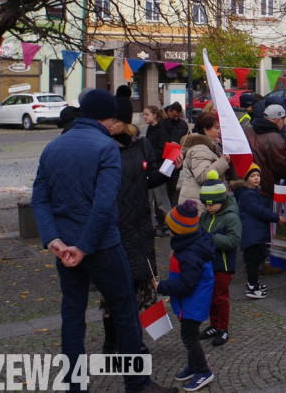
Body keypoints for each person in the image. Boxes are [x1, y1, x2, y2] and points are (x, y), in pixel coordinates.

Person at [31, 89, 174, 393]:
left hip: (64, 248)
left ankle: (75, 385)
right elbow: (104, 203)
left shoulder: (52, 147)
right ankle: (137, 384)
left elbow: (40, 199)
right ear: (107, 119)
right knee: (125, 311)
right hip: (101, 245)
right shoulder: (106, 147)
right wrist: (84, 246)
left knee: (72, 317)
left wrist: (53, 239)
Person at [100, 103, 168, 354]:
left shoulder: (141, 144)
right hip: (115, 223)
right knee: (115, 286)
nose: (110, 125)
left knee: (141, 282)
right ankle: (112, 342)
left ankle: (133, 340)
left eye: (114, 121)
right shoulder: (103, 145)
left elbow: (151, 178)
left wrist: (172, 166)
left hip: (139, 223)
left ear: (125, 122)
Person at [157, 200, 216, 392]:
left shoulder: (190, 254)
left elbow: (186, 284)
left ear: (179, 232)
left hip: (193, 303)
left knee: (189, 338)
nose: (168, 232)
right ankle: (193, 365)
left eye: (170, 229)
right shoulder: (187, 245)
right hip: (189, 302)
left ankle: (203, 371)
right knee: (190, 335)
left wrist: (161, 287)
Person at [197, 171, 241, 348]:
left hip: (222, 265)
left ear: (221, 200)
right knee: (210, 297)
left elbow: (234, 241)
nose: (208, 207)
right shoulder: (204, 217)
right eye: (205, 204)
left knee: (220, 298)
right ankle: (214, 325)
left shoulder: (231, 217)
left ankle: (223, 328)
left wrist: (211, 238)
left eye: (211, 204)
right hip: (207, 265)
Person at [232, 163, 279, 300]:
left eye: (258, 175)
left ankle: (254, 283)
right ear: (246, 178)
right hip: (252, 234)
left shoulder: (251, 192)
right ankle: (252, 286)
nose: (257, 178)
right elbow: (259, 210)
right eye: (252, 176)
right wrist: (275, 217)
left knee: (257, 258)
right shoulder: (248, 194)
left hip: (254, 233)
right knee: (253, 261)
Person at [178, 113, 232, 206]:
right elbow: (202, 176)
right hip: (197, 202)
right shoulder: (200, 149)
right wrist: (223, 162)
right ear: (206, 130)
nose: (219, 131)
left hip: (200, 199)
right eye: (216, 128)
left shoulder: (207, 146)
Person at [142, 105, 173, 237]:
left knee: (162, 201)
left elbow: (162, 151)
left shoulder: (161, 130)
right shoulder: (150, 129)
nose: (144, 117)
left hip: (158, 170)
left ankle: (171, 225)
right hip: (149, 169)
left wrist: (148, 155)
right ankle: (151, 226)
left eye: (146, 114)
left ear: (154, 116)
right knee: (148, 201)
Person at [248, 103, 286, 197]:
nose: (284, 123)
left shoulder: (247, 131)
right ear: (278, 120)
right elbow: (281, 165)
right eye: (283, 119)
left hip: (247, 183)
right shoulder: (275, 138)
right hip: (266, 188)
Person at [164, 102, 191, 206]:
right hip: (165, 157)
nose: (176, 118)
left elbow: (187, 140)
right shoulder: (164, 122)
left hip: (177, 157)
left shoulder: (183, 124)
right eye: (174, 116)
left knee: (172, 185)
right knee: (163, 187)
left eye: (178, 116)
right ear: (169, 111)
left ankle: (170, 205)